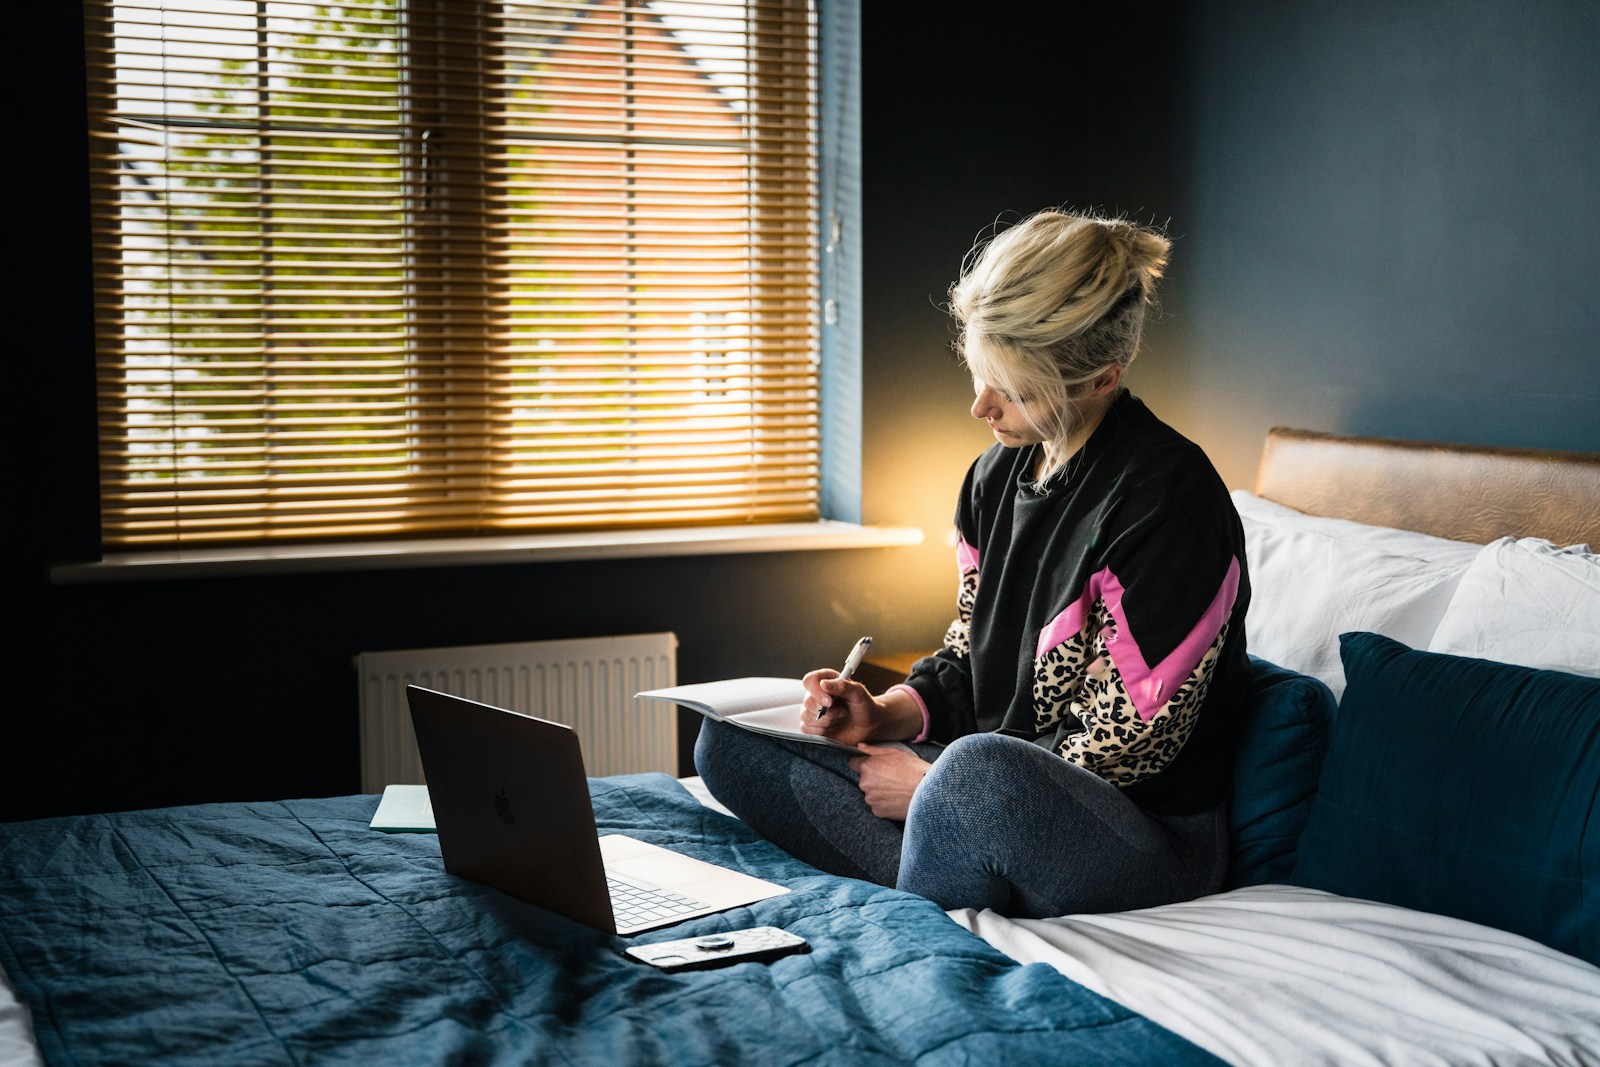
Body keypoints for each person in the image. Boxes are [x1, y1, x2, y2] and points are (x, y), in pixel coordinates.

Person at [694, 208, 1252, 918]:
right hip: (981, 788)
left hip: (1141, 837)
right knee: (729, 738)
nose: (979, 404)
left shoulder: (1170, 500)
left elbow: (1120, 749)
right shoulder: (993, 477)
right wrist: (883, 715)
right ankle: (944, 858)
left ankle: (934, 863)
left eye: (1012, 389)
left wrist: (927, 781)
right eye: (981, 373)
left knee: (974, 775)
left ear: (1101, 379)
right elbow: (965, 657)